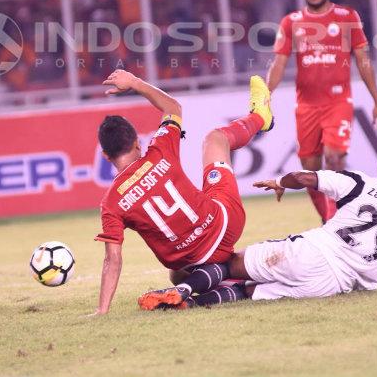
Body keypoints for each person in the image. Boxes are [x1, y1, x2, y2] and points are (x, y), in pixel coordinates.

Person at [143, 141, 377, 309]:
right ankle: (191, 307)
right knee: (250, 292)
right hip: (332, 287)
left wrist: (280, 182)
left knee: (231, 263)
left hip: (312, 253)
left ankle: (182, 289)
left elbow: (304, 178)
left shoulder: (361, 183)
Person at [92, 69, 274, 315]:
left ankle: (221, 281)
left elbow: (112, 259)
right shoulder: (160, 149)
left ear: (105, 156)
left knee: (176, 275)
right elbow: (173, 107)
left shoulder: (112, 203)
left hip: (191, 261)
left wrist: (102, 311)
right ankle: (260, 117)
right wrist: (135, 83)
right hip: (224, 224)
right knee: (216, 138)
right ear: (137, 142)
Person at [266, 0, 377, 223]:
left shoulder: (346, 16)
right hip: (306, 105)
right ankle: (328, 221)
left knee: (334, 158)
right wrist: (267, 94)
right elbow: (278, 63)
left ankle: (339, 217)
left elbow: (363, 60)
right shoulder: (292, 22)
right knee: (309, 170)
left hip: (338, 101)